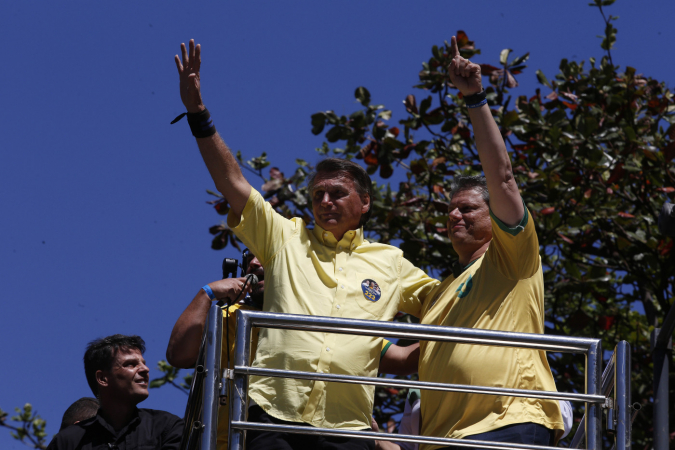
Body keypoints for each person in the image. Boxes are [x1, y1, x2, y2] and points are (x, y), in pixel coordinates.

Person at [174, 39, 439, 450]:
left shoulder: (393, 262)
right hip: (272, 417)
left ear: (365, 202)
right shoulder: (286, 236)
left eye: (337, 193)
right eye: (318, 195)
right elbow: (232, 183)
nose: (326, 201)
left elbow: (448, 303)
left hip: (348, 427)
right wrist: (198, 115)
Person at [416, 36, 564, 449]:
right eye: (450, 210)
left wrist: (475, 98)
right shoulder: (436, 293)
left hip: (510, 423)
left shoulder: (511, 256)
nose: (454, 216)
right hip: (441, 440)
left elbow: (501, 177)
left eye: (467, 209)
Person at [373, 343, 574, 450]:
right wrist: (375, 438)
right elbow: (407, 447)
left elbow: (560, 417)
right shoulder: (418, 393)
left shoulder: (512, 366)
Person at [166, 248, 264, 450]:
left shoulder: (313, 316)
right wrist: (207, 293)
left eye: (263, 254)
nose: (253, 264)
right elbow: (179, 355)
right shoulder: (226, 314)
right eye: (250, 258)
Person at [46, 335, 183, 450]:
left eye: (143, 363)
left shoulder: (167, 427)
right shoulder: (68, 442)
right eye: (130, 364)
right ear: (102, 378)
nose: (145, 369)